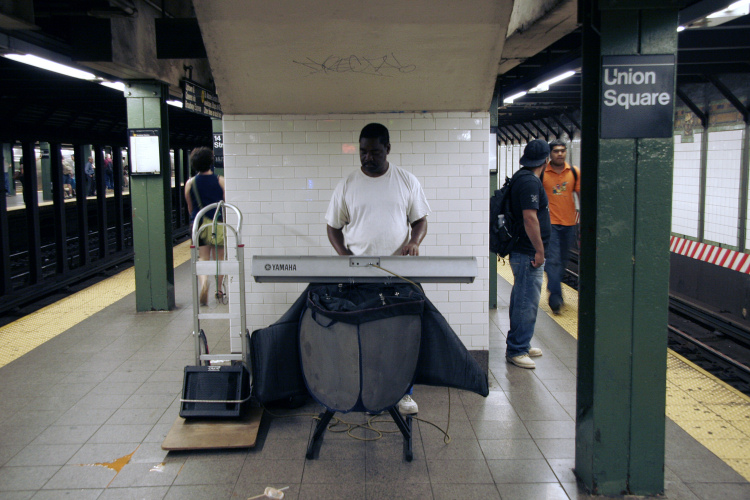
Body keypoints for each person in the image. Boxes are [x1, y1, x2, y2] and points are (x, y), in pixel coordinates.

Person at [326, 122, 431, 414]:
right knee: (361, 333)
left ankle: (403, 393)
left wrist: (414, 241)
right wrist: (344, 256)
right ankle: (364, 390)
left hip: (396, 273)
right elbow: (333, 227)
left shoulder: (406, 181)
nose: (367, 158)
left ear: (388, 149)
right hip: (358, 275)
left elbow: (420, 220)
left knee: (401, 335)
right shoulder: (348, 184)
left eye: (374, 152)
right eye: (363, 152)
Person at [506, 139, 551, 369]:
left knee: (521, 299)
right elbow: (530, 218)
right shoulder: (530, 182)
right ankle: (517, 349)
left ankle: (520, 342)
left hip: (523, 250)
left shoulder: (521, 177)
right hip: (528, 252)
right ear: (546, 160)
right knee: (527, 302)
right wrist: (539, 250)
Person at [542, 139, 580, 314]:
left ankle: (555, 289)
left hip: (569, 224)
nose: (560, 154)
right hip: (550, 224)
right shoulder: (543, 173)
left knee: (563, 260)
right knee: (553, 260)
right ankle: (555, 298)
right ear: (550, 153)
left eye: (562, 151)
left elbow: (580, 195)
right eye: (556, 151)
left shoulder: (574, 173)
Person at [185, 147, 226, 306]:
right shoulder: (220, 180)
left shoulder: (190, 183)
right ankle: (219, 290)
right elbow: (225, 204)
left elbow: (190, 207)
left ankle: (203, 284)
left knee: (203, 257)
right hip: (218, 224)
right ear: (210, 162)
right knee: (219, 258)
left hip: (199, 224)